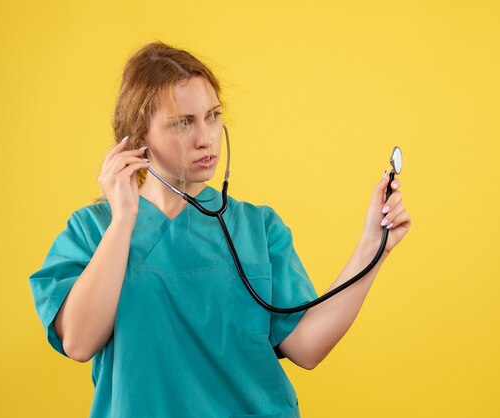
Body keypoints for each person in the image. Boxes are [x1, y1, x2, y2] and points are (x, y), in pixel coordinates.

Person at [29, 41, 411, 418]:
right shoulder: (92, 231)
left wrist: (372, 248)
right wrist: (124, 217)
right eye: (183, 123)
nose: (205, 137)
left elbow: (307, 348)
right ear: (138, 135)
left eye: (212, 116)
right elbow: (78, 342)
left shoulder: (258, 228)